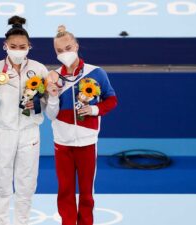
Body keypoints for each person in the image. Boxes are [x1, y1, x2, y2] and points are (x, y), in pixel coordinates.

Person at [45, 25, 118, 225]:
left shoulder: (96, 72)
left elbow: (111, 100)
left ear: (76, 46)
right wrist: (52, 97)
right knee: (65, 190)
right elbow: (51, 115)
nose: (64, 53)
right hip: (62, 142)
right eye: (60, 51)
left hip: (87, 141)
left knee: (86, 192)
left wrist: (94, 110)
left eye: (68, 48)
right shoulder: (53, 77)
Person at [0, 16, 49, 225]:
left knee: (26, 184)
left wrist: (37, 105)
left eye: (22, 46)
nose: (18, 50)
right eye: (13, 46)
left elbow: (48, 100)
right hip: (4, 132)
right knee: (1, 184)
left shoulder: (39, 69)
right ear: (5, 46)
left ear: (29, 46)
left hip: (30, 132)